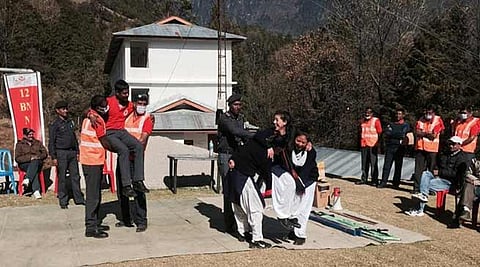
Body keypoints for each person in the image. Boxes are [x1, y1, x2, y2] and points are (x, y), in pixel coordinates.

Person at [90, 80, 148, 198]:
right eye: (124, 93)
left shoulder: (130, 105)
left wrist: (150, 116)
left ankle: (138, 180)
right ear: (117, 93)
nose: (126, 95)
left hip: (122, 132)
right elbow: (91, 108)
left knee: (138, 146)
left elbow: (141, 110)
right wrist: (90, 114)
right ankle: (126, 185)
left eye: (127, 93)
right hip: (110, 133)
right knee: (123, 150)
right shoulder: (108, 102)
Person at [405, 136, 468, 227]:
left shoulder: (462, 158)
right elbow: (438, 165)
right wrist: (436, 171)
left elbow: (457, 174)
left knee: (424, 185)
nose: (451, 146)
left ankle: (419, 209)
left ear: (459, 145)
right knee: (426, 174)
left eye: (453, 144)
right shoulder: (445, 153)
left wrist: (440, 172)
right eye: (450, 143)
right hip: (438, 178)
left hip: (450, 182)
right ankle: (423, 197)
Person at [225, 129, 273, 249]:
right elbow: (266, 171)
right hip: (243, 177)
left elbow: (236, 154)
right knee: (255, 208)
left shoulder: (249, 144)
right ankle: (257, 239)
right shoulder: (264, 152)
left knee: (239, 206)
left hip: (232, 176)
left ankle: (243, 232)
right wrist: (269, 188)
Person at [216, 93, 254, 234]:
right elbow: (235, 131)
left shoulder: (241, 118)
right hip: (226, 154)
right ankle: (229, 223)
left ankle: (241, 223)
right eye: (235, 105)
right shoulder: (224, 119)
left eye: (239, 105)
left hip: (238, 155)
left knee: (239, 188)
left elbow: (243, 133)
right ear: (230, 105)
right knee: (228, 188)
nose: (238, 107)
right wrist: (253, 135)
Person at [116, 94, 153, 232]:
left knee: (138, 190)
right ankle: (126, 219)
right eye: (139, 103)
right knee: (122, 189)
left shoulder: (147, 118)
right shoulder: (127, 116)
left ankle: (141, 221)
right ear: (134, 103)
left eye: (144, 103)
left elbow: (143, 138)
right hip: (123, 158)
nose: (141, 105)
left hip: (135, 160)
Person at [80, 95, 111, 238]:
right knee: (93, 196)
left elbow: (84, 111)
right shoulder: (97, 120)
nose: (105, 107)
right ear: (97, 107)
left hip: (90, 160)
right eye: (103, 105)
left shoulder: (88, 117)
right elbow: (104, 141)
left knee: (96, 193)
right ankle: (91, 227)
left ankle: (96, 222)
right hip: (92, 161)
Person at [281, 130, 319, 245]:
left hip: (307, 181)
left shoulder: (310, 152)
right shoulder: (289, 149)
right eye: (298, 141)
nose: (300, 144)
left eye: (303, 142)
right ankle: (293, 230)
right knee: (293, 207)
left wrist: (301, 184)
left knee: (303, 208)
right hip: (294, 182)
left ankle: (301, 235)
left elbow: (306, 170)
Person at [48, 100, 85, 209]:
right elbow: (51, 142)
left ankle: (79, 198)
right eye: (63, 109)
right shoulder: (55, 125)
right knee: (62, 177)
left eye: (66, 109)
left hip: (72, 152)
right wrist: (53, 157)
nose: (66, 111)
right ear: (57, 111)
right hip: (61, 153)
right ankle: (63, 200)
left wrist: (77, 152)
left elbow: (74, 138)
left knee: (75, 176)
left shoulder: (70, 122)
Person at [412, 105, 445, 193]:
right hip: (420, 148)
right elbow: (417, 132)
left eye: (430, 113)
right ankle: (416, 188)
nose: (428, 114)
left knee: (431, 170)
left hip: (432, 149)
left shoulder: (438, 120)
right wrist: (427, 133)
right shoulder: (420, 120)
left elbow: (433, 135)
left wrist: (423, 133)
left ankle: (430, 189)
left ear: (434, 113)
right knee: (418, 169)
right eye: (426, 112)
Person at [379, 108, 411, 188]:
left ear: (403, 115)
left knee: (398, 166)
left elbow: (403, 134)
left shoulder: (406, 125)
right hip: (390, 146)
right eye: (397, 114)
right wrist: (396, 134)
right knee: (386, 165)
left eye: (400, 114)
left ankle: (396, 183)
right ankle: (383, 182)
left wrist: (394, 134)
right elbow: (387, 133)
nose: (398, 115)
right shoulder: (391, 124)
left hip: (400, 147)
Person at [14, 128, 48, 199]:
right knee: (33, 169)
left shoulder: (38, 143)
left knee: (34, 163)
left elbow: (45, 153)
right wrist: (30, 158)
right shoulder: (20, 144)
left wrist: (38, 157)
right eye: (29, 134)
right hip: (24, 164)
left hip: (37, 162)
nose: (31, 136)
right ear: (25, 135)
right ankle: (36, 191)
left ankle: (27, 179)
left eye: (32, 134)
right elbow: (17, 158)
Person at [356, 107, 382, 185]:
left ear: (372, 113)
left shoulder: (376, 120)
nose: (367, 114)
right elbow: (360, 132)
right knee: (364, 163)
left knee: (373, 163)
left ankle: (374, 180)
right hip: (364, 144)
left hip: (373, 145)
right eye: (366, 112)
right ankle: (364, 179)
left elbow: (380, 132)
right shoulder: (362, 121)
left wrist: (377, 143)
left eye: (369, 112)